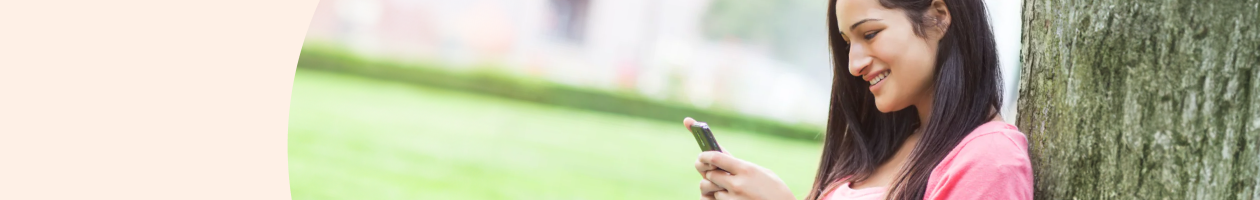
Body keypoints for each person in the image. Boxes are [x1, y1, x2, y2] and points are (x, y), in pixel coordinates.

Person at [690, 0, 1033, 199]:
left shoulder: (991, 161)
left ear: (938, 16)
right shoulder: (887, 143)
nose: (854, 65)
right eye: (847, 43)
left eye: (870, 34)